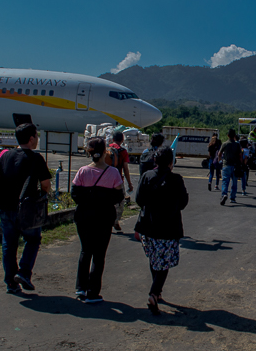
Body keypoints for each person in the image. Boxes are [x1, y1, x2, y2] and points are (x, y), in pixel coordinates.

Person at [0, 123, 52, 293]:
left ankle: (11, 282)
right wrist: (43, 193)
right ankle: (24, 272)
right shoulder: (36, 158)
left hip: (6, 207)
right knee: (32, 240)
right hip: (28, 209)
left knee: (9, 245)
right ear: (31, 138)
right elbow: (46, 184)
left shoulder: (5, 156)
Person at [134, 147, 189, 315]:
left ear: (154, 161)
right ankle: (154, 293)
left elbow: (139, 200)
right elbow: (183, 203)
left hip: (148, 226)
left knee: (154, 258)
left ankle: (156, 291)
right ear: (171, 162)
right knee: (164, 262)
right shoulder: (177, 179)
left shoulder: (146, 176)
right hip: (168, 227)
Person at [71, 137, 124, 303]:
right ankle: (93, 291)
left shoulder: (82, 171)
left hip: (84, 217)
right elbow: (118, 196)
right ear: (105, 152)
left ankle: (80, 288)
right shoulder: (113, 173)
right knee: (99, 255)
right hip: (103, 217)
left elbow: (75, 195)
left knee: (85, 251)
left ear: (89, 152)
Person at [107, 131, 134, 231]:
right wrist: (129, 183)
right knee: (119, 202)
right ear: (122, 140)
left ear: (113, 139)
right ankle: (115, 221)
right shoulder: (123, 151)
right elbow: (125, 168)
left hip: (105, 180)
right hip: (118, 180)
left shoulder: (107, 149)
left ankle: (106, 220)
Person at [217, 128, 242, 205]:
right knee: (234, 183)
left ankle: (224, 194)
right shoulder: (237, 145)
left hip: (226, 165)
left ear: (228, 135)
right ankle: (233, 197)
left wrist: (220, 160)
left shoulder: (225, 144)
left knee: (225, 181)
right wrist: (240, 164)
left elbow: (219, 154)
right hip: (234, 166)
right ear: (234, 136)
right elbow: (240, 156)